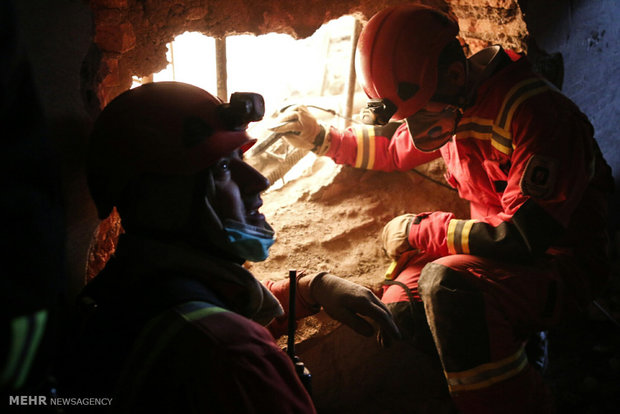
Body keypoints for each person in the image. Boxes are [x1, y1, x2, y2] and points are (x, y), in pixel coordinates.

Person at [271, 4, 614, 413]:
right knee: (400, 307)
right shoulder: (448, 101)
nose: (413, 127)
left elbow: (525, 238)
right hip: (501, 254)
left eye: (414, 116)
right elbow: (392, 147)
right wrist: (322, 138)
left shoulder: (536, 114)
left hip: (559, 263)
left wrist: (421, 230)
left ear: (453, 74)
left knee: (447, 285)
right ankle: (517, 364)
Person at [60, 81, 399, 413]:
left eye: (240, 158)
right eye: (222, 168)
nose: (258, 181)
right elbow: (219, 335)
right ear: (165, 201)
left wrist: (305, 290)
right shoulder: (235, 357)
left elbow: (202, 311)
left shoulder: (119, 292)